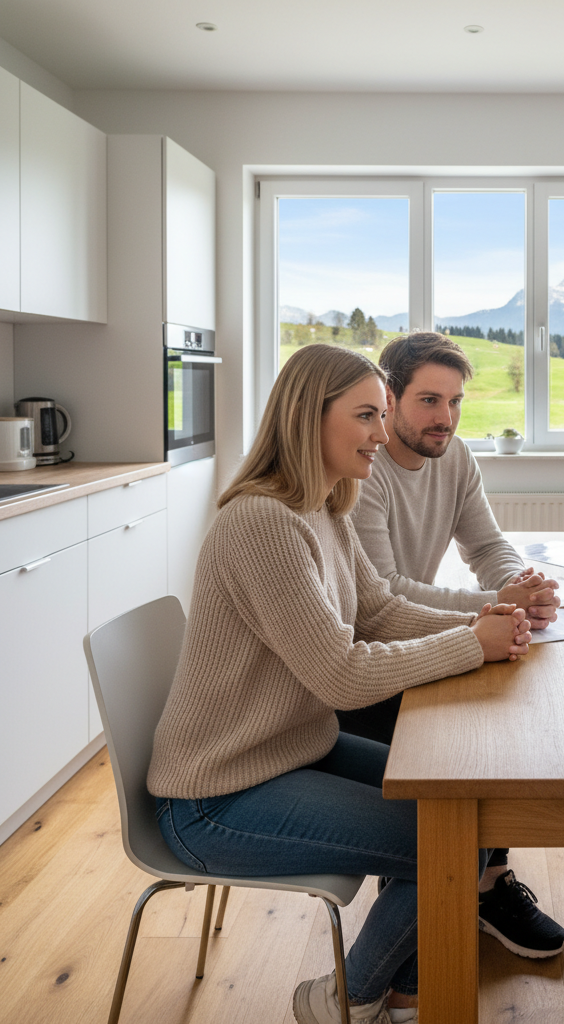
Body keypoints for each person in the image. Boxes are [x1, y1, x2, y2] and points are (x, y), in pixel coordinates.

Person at [147, 344, 531, 1024]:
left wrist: (488, 615)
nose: (383, 435)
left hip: (295, 746)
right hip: (217, 792)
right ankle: (347, 999)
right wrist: (471, 646)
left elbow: (379, 610)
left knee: (468, 810)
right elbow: (343, 673)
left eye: (382, 416)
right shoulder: (262, 522)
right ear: (306, 418)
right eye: (365, 417)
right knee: (448, 842)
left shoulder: (325, 503)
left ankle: (407, 996)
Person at [345, 331, 564, 959]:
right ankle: (452, 884)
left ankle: (481, 883)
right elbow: (383, 597)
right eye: (428, 401)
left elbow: (486, 546)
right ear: (388, 399)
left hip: (420, 641)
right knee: (479, 745)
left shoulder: (457, 457)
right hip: (369, 667)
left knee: (500, 721)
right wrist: (496, 608)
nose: (445, 418)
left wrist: (517, 582)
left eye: (455, 401)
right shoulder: (363, 468)